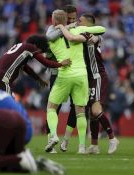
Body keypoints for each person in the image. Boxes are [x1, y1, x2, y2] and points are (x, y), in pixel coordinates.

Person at [45, 10, 106, 154]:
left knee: (51, 108)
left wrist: (61, 27)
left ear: (53, 21)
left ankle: (53, 135)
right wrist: (95, 37)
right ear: (66, 20)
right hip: (81, 75)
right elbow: (101, 29)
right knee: (80, 112)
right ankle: (82, 147)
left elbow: (49, 38)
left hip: (64, 75)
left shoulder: (51, 38)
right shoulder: (79, 29)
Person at [45, 4, 78, 154]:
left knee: (77, 106)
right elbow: (49, 37)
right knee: (53, 107)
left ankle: (65, 140)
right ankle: (51, 139)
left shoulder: (75, 28)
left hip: (73, 72)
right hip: (56, 73)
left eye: (73, 18)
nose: (71, 20)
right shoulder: (53, 29)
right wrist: (69, 27)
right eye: (68, 18)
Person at [0, 34, 71, 94]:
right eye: (40, 51)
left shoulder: (20, 47)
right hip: (3, 80)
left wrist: (38, 79)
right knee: (9, 106)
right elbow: (46, 63)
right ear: (36, 45)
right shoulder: (30, 47)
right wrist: (61, 64)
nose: (39, 53)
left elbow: (26, 68)